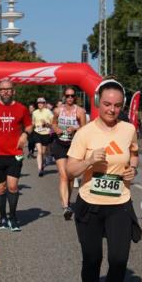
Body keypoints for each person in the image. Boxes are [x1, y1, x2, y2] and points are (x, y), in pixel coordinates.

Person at [65, 79, 140, 282]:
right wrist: (88, 161)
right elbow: (69, 169)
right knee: (93, 258)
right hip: (90, 204)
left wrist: (132, 171)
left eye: (117, 105)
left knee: (119, 258)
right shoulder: (84, 133)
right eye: (107, 104)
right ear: (98, 103)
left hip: (120, 203)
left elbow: (133, 155)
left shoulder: (128, 130)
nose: (112, 110)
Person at [0, 80, 33, 232]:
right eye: (2, 90)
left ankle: (13, 216)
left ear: (13, 91)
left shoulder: (21, 109)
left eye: (8, 89)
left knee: (12, 186)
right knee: (1, 188)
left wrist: (24, 134)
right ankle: (3, 216)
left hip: (15, 154)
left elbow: (29, 126)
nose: (5, 92)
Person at [51, 88, 87, 220]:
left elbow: (84, 128)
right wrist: (56, 129)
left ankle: (68, 200)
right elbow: (53, 123)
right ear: (64, 97)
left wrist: (75, 129)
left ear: (75, 97)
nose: (70, 98)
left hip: (74, 146)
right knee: (64, 175)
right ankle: (66, 206)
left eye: (72, 96)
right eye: (67, 96)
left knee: (71, 177)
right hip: (59, 144)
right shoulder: (57, 110)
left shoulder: (80, 111)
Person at [31, 97, 55, 176]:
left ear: (44, 103)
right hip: (37, 133)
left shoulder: (48, 112)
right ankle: (39, 169)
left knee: (43, 152)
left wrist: (46, 124)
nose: (40, 104)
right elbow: (33, 123)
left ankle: (42, 164)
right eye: (38, 103)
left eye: (41, 103)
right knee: (39, 151)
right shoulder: (35, 112)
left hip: (46, 134)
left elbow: (52, 124)